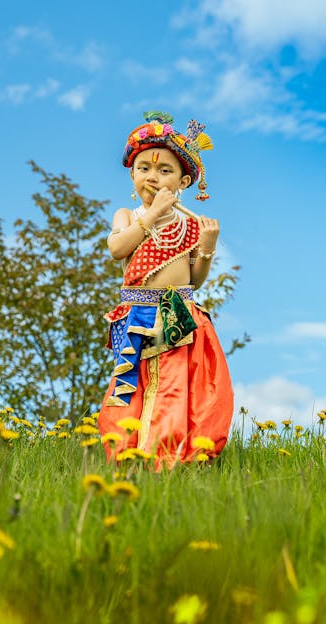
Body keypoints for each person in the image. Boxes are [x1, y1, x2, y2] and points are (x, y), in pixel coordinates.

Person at [98, 111, 234, 469]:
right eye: (144, 168)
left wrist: (206, 246)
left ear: (184, 181)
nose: (153, 177)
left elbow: (195, 279)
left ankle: (174, 457)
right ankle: (129, 455)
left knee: (178, 386)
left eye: (164, 171)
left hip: (178, 314)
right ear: (132, 175)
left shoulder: (189, 224)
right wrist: (153, 213)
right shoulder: (127, 215)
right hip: (138, 315)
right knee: (133, 387)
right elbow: (117, 249)